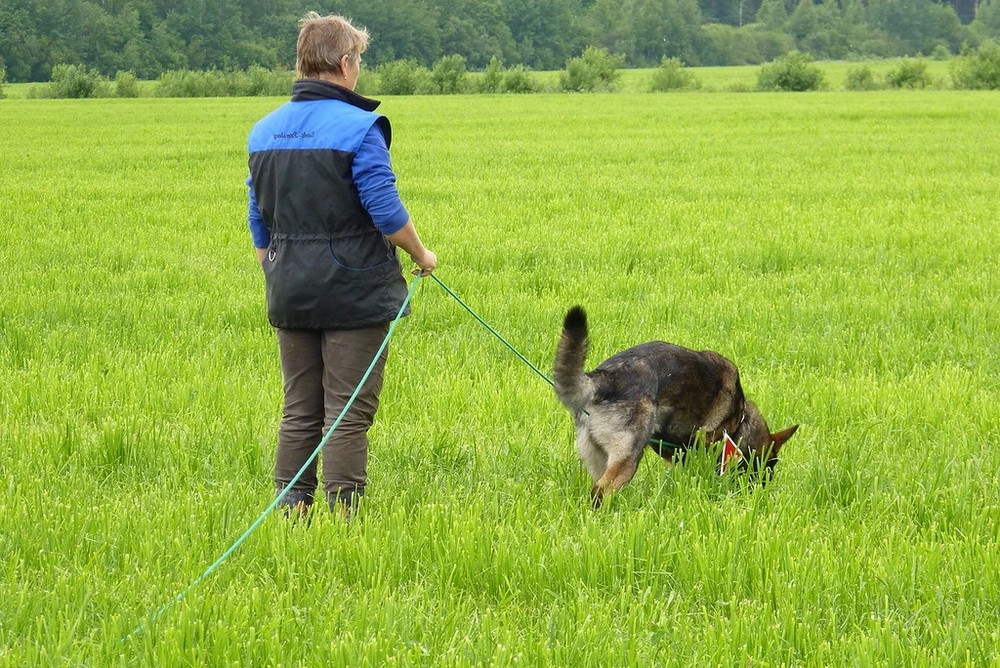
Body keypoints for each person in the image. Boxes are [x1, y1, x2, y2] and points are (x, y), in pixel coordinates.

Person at [246, 12, 437, 519]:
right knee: (347, 411)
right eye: (359, 60)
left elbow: (257, 220)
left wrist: (278, 268)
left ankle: (291, 511)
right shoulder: (359, 127)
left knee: (299, 409)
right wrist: (421, 255)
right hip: (355, 292)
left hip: (289, 289)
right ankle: (343, 516)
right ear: (345, 62)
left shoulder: (263, 131)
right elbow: (386, 212)